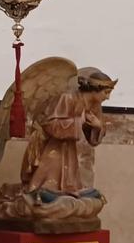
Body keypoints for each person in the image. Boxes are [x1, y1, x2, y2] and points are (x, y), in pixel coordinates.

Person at [22, 68, 114, 201]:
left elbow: (93, 140)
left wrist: (98, 126)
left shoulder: (94, 105)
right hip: (50, 147)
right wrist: (78, 122)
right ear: (95, 89)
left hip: (68, 148)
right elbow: (50, 125)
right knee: (48, 183)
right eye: (106, 92)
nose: (108, 97)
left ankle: (60, 195)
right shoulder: (67, 98)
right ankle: (42, 194)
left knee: (69, 188)